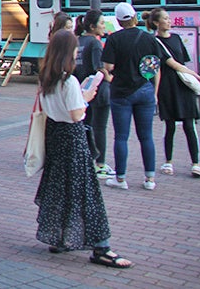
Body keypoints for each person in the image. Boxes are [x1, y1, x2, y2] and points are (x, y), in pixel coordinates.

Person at [34, 30, 131, 268]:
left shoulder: (46, 78)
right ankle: (101, 247)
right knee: (86, 192)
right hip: (72, 137)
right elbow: (76, 114)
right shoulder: (69, 81)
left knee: (59, 188)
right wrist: (86, 97)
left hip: (55, 135)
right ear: (69, 52)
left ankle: (59, 237)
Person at [100, 2, 169, 191]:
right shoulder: (148, 38)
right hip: (145, 90)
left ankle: (120, 179)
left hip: (121, 92)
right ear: (134, 17)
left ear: (118, 20)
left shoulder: (114, 39)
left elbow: (108, 67)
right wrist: (154, 93)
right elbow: (155, 67)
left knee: (121, 136)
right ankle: (150, 179)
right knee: (146, 136)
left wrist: (110, 76)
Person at [147, 8, 200, 178]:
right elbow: (171, 64)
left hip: (183, 86)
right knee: (170, 126)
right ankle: (168, 162)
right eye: (165, 19)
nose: (169, 21)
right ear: (156, 23)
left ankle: (196, 163)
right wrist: (197, 76)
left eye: (169, 18)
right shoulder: (154, 42)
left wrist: (191, 76)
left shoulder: (177, 38)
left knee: (189, 125)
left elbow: (183, 62)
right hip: (167, 88)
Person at [77, 11, 113, 178]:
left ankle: (85, 161)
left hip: (81, 92)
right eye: (102, 23)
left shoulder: (78, 41)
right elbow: (99, 68)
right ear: (92, 26)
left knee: (86, 127)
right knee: (99, 128)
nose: (103, 27)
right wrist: (111, 77)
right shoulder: (95, 43)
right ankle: (100, 164)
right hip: (97, 92)